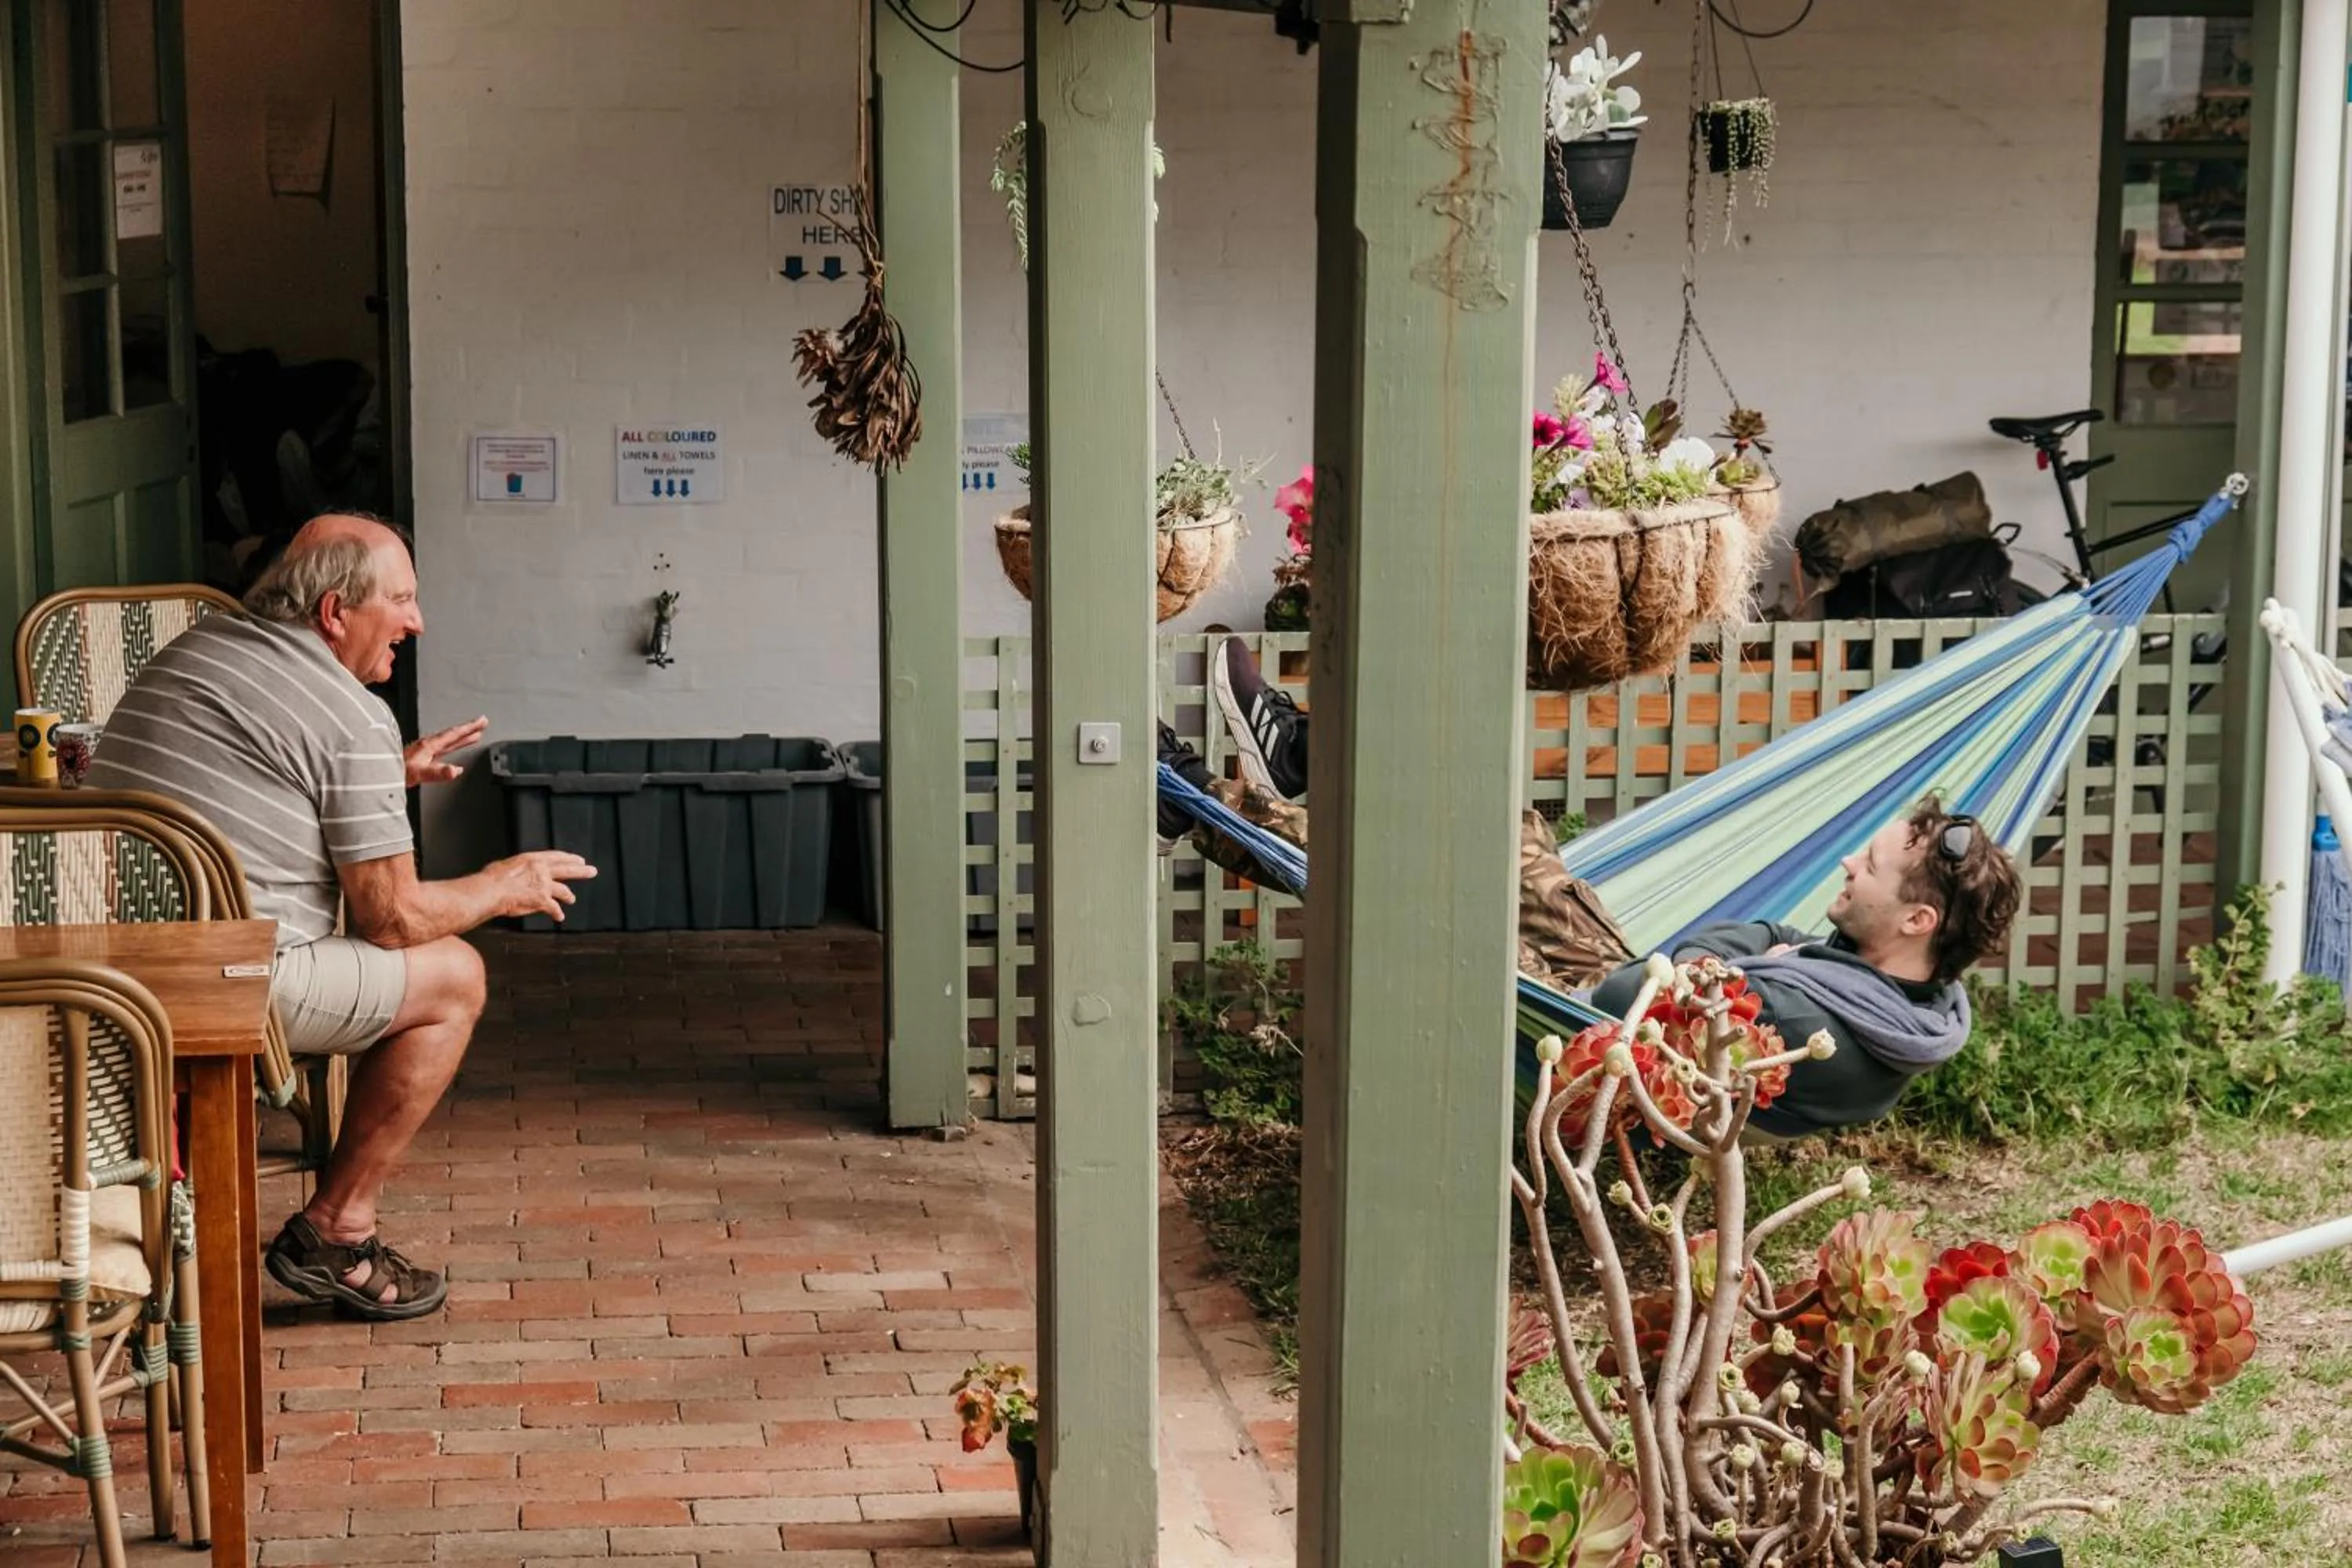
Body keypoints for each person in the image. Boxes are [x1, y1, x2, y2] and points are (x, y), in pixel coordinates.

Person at [1179, 636, 2024, 1141]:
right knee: (1499, 826)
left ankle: (1186, 791)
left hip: (1581, 1039)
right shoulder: (1884, 983)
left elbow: (1659, 986)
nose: (1846, 866)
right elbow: (1737, 938)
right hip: (1616, 993)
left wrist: (1735, 956)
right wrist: (1733, 955)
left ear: (1917, 916)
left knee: (1415, 885)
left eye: (1867, 869)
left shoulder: (1819, 1025)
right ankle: (1298, 759)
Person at [88, 514, 596, 1320]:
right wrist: (504, 882)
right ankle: (336, 1228)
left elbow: (259, 774)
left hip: (107, 968)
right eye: (403, 599)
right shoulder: (349, 714)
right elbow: (392, 917)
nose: (417, 620)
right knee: (456, 977)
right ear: (334, 613)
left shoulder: (198, 649)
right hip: (226, 978)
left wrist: (383, 774)